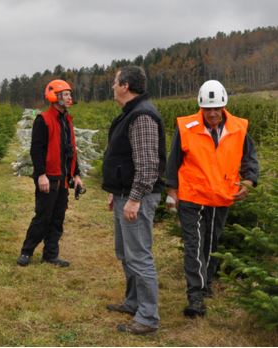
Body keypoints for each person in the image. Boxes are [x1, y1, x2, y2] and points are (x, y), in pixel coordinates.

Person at [166, 80, 259, 317]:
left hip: (222, 196)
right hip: (192, 196)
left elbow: (250, 158)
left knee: (211, 243)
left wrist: (249, 181)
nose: (213, 113)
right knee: (194, 245)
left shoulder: (239, 128)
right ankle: (195, 296)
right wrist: (171, 191)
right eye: (208, 109)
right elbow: (173, 160)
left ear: (224, 105)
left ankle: (206, 283)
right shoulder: (187, 127)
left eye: (216, 108)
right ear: (201, 107)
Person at [102, 66, 166, 335]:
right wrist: (115, 191)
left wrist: (134, 198)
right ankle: (133, 302)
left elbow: (148, 165)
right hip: (124, 195)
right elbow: (125, 159)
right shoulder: (130, 114)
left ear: (126, 85)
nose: (113, 86)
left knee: (139, 256)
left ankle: (148, 317)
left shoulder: (141, 116)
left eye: (115, 82)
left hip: (136, 198)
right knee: (125, 253)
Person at [17, 80, 83, 268]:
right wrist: (41, 175)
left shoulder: (67, 120)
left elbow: (71, 149)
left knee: (57, 218)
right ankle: (26, 252)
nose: (70, 97)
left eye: (70, 93)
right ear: (55, 96)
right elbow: (36, 150)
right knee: (43, 217)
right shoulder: (43, 119)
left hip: (63, 179)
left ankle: (51, 255)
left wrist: (75, 174)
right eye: (66, 94)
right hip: (49, 177)